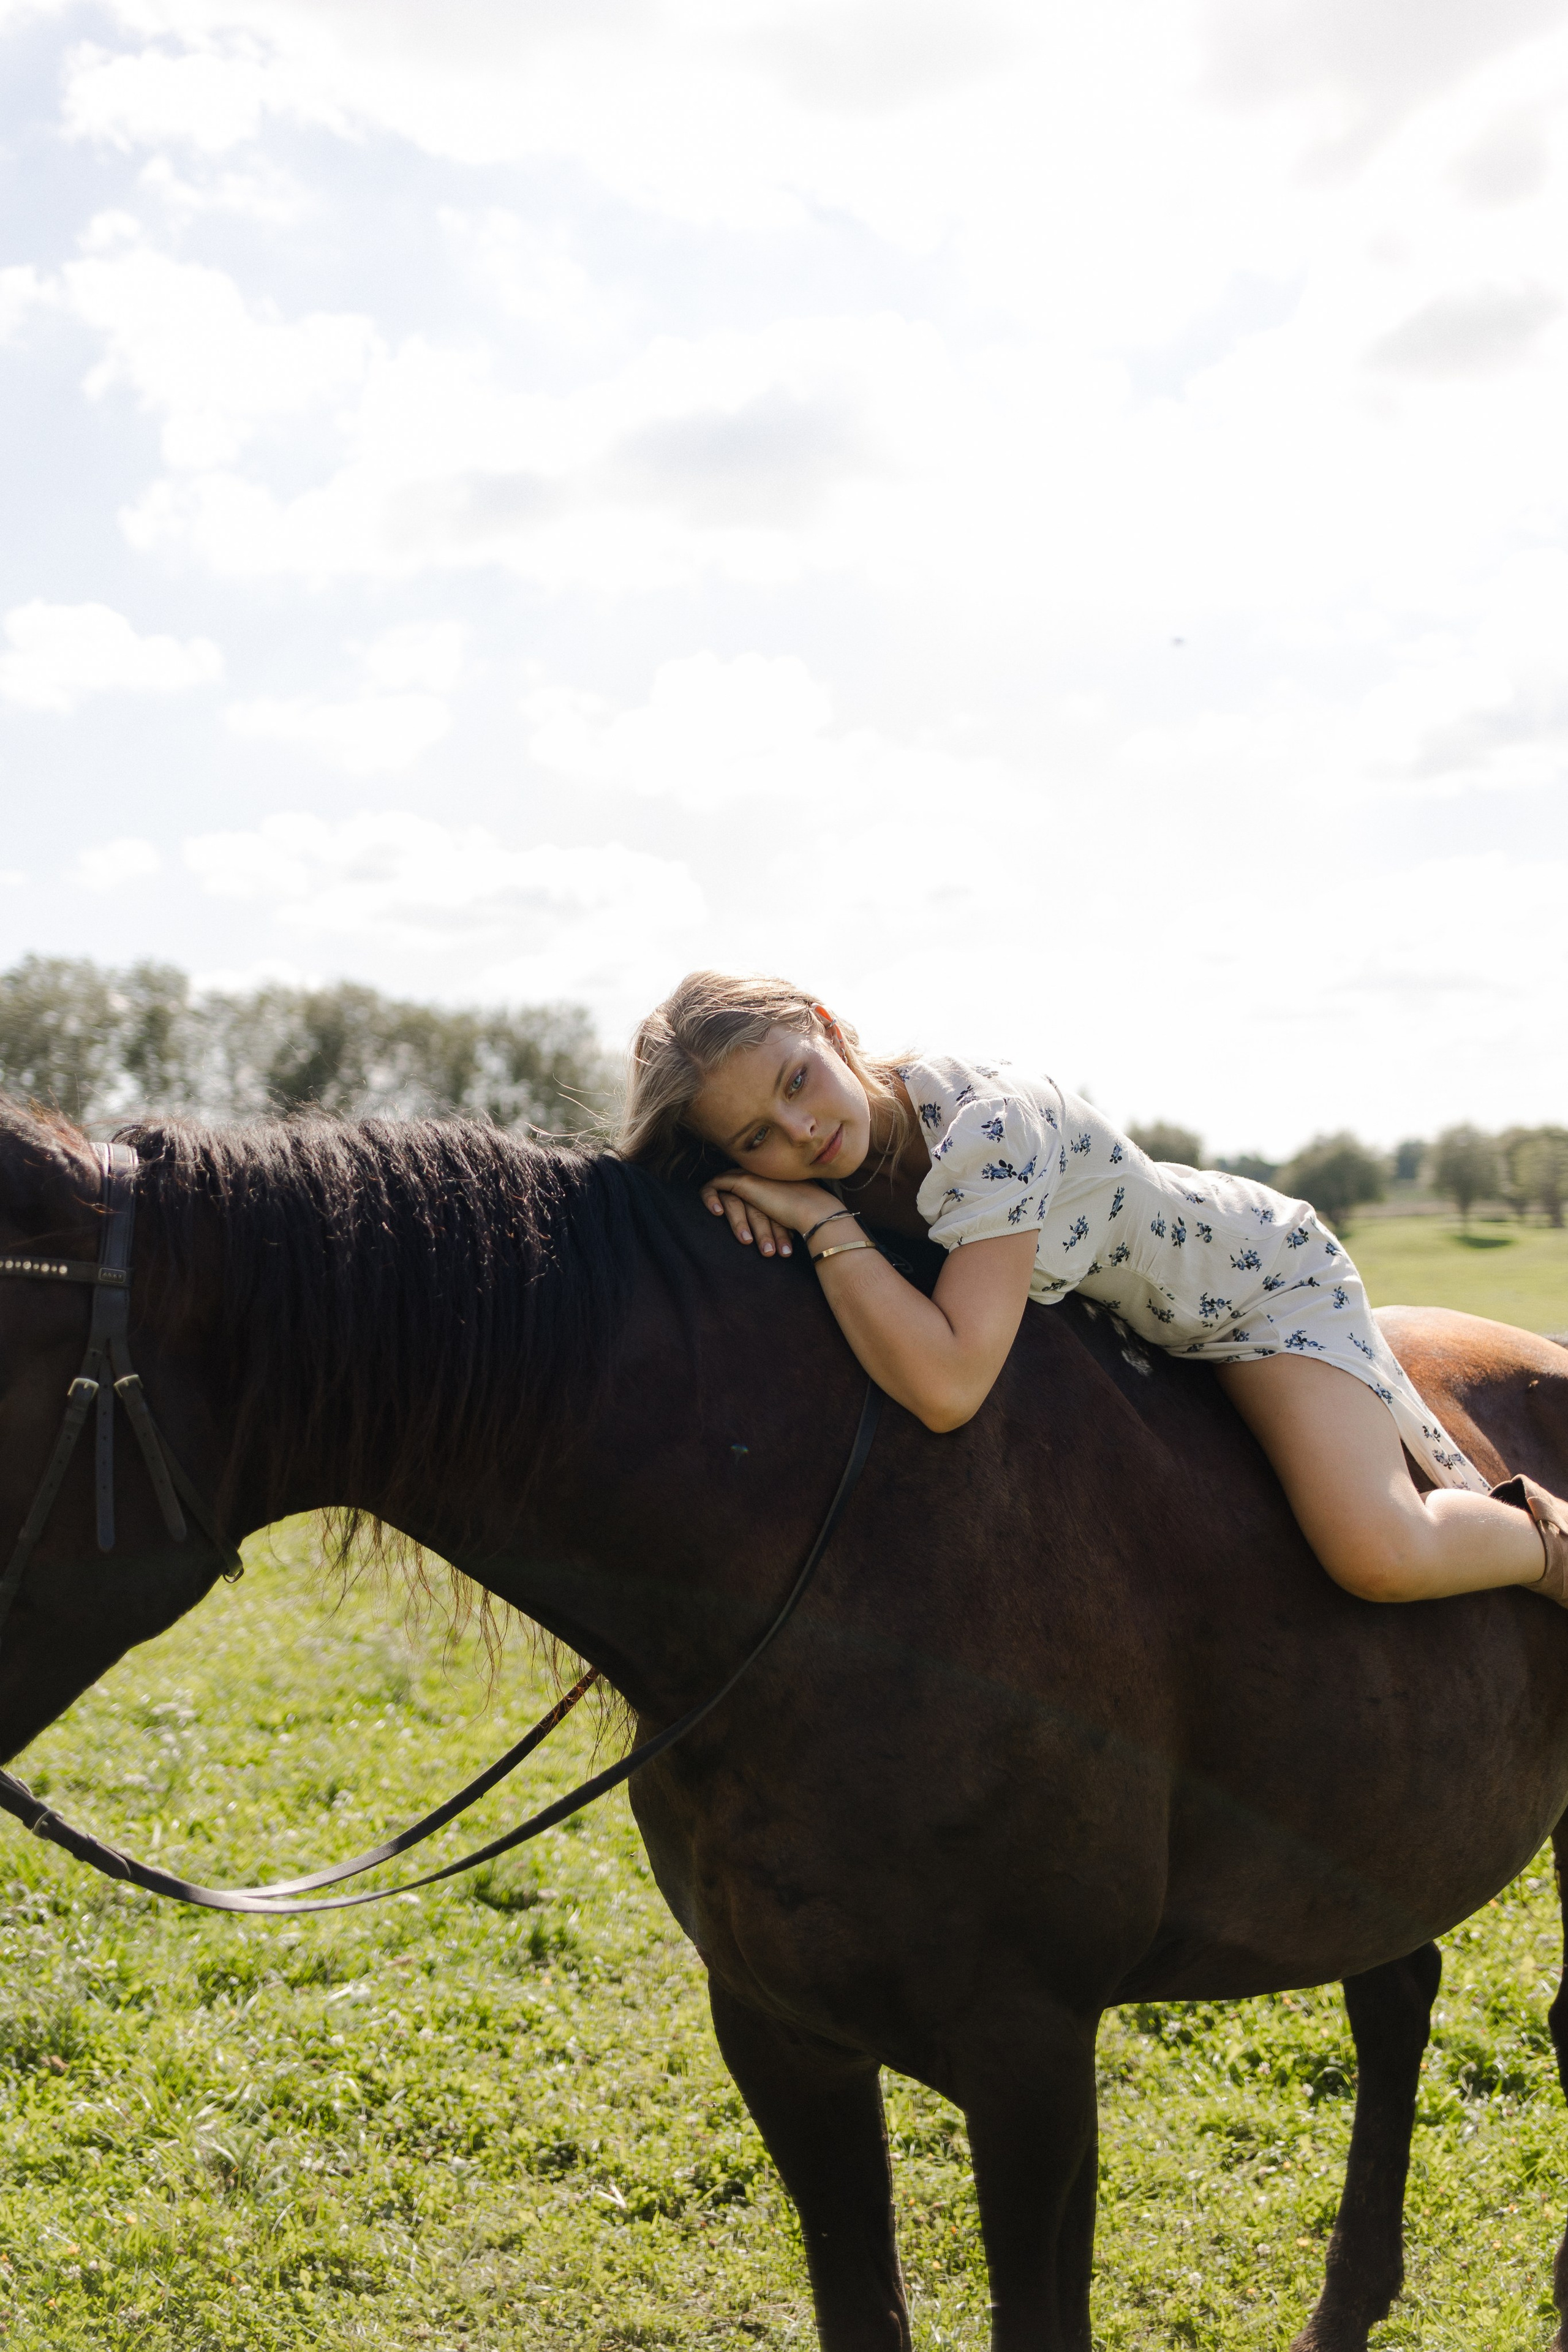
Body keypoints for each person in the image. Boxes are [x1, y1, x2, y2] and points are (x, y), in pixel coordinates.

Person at [618, 970, 1568, 1611]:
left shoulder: (989, 1125)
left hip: (1254, 1292)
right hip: (1127, 1330)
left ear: (828, 1027)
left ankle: (1551, 1546)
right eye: (754, 1141)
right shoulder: (820, 1165)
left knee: (1377, 1549)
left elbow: (947, 1386)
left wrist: (821, 1226)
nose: (799, 1132)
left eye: (797, 1079)